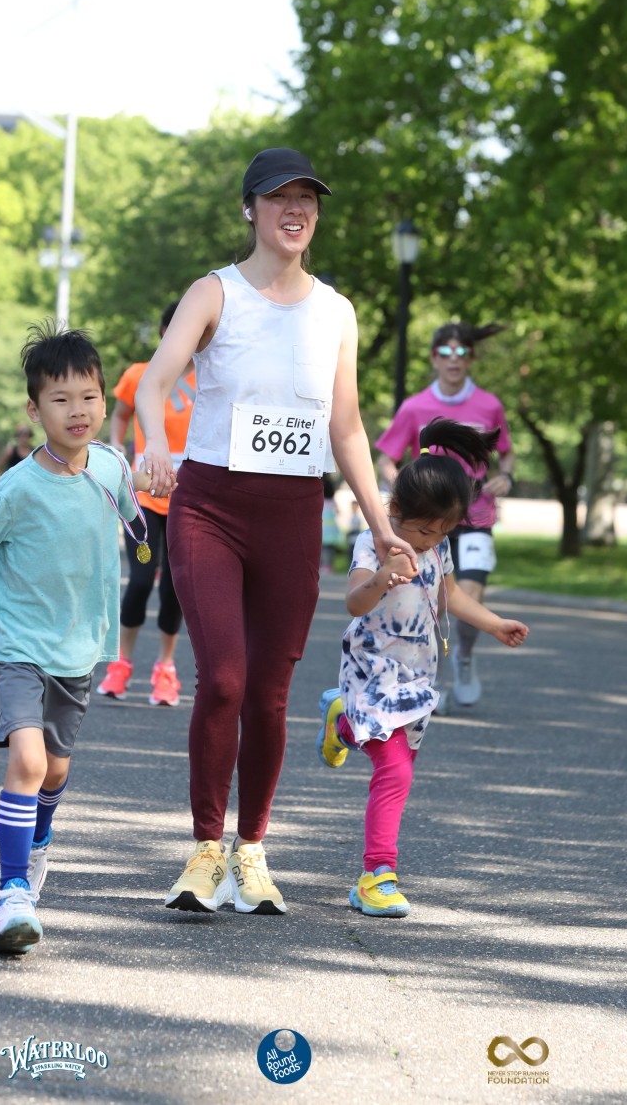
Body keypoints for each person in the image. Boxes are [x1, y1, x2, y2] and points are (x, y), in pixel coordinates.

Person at [135, 146, 417, 917]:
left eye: (307, 199)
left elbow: (346, 427)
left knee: (268, 692)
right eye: (278, 197)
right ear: (249, 209)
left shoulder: (336, 312)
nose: (295, 210)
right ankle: (204, 850)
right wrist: (155, 441)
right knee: (224, 676)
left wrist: (382, 527)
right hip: (210, 508)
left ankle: (251, 851)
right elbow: (155, 382)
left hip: (293, 515)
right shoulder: (214, 293)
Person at [0, 321, 152, 954]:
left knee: (54, 769)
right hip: (20, 648)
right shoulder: (16, 488)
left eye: (88, 397)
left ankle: (38, 843)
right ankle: (10, 894)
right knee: (28, 762)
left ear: (104, 402)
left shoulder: (110, 467)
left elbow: (136, 511)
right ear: (35, 411)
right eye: (60, 399)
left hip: (79, 648)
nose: (77, 410)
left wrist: (162, 488)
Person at [317, 418, 529, 918]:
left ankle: (343, 721)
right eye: (424, 530)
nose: (431, 540)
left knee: (394, 762)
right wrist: (384, 577)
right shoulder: (373, 542)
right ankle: (377, 875)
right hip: (371, 670)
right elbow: (354, 602)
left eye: (443, 531)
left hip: (415, 677)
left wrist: (495, 624)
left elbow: (449, 595)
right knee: (395, 771)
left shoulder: (438, 548)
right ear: (394, 509)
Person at [376, 321, 514, 711]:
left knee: (468, 594)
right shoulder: (414, 407)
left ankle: (464, 657)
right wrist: (404, 485)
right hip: (428, 520)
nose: (454, 359)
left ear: (471, 358)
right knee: (434, 599)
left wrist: (506, 476)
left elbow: (506, 453)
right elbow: (386, 458)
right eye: (446, 352)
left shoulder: (489, 405)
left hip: (476, 517)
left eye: (462, 352)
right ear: (434, 358)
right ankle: (429, 675)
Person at [96, 301, 194, 708]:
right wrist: (118, 445)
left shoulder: (209, 380)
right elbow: (120, 414)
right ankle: (121, 663)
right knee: (139, 581)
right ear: (164, 333)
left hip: (188, 501)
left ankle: (165, 669)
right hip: (142, 499)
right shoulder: (140, 374)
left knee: (174, 588)